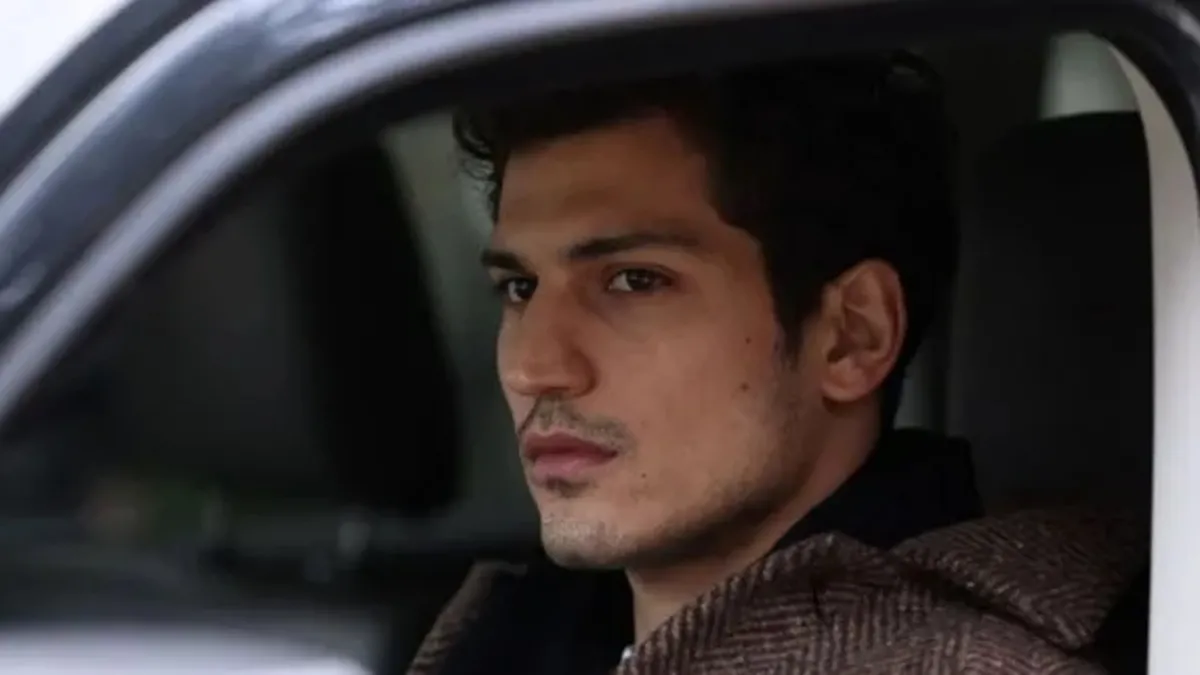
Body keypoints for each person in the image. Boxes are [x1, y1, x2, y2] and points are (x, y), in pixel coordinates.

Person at [406, 53, 1144, 674]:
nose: (533, 367)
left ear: (850, 336)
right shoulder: (517, 631)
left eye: (634, 280)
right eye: (520, 287)